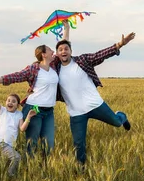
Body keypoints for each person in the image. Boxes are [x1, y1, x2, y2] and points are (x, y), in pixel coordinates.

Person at [0, 23, 70, 158]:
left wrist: (67, 29)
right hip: (33, 109)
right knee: (32, 143)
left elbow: (64, 46)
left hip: (49, 111)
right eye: (50, 50)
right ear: (43, 54)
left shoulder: (53, 65)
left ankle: (44, 169)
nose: (54, 51)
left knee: (49, 144)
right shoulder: (33, 69)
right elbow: (14, 76)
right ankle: (30, 168)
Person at [54, 31, 136, 165]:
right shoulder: (55, 69)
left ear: (71, 51)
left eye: (66, 49)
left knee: (116, 122)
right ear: (57, 53)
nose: (64, 51)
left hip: (95, 105)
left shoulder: (82, 60)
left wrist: (120, 44)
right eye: (60, 50)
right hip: (76, 113)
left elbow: (100, 55)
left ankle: (122, 116)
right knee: (79, 143)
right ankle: (81, 169)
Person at [0, 81, 36, 177]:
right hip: (0, 142)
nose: (10, 102)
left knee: (3, 162)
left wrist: (28, 117)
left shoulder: (19, 114)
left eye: (13, 101)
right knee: (17, 158)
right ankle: (10, 175)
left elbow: (22, 129)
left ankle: (3, 177)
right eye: (8, 100)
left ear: (17, 105)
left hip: (10, 145)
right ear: (6, 102)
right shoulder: (2, 111)